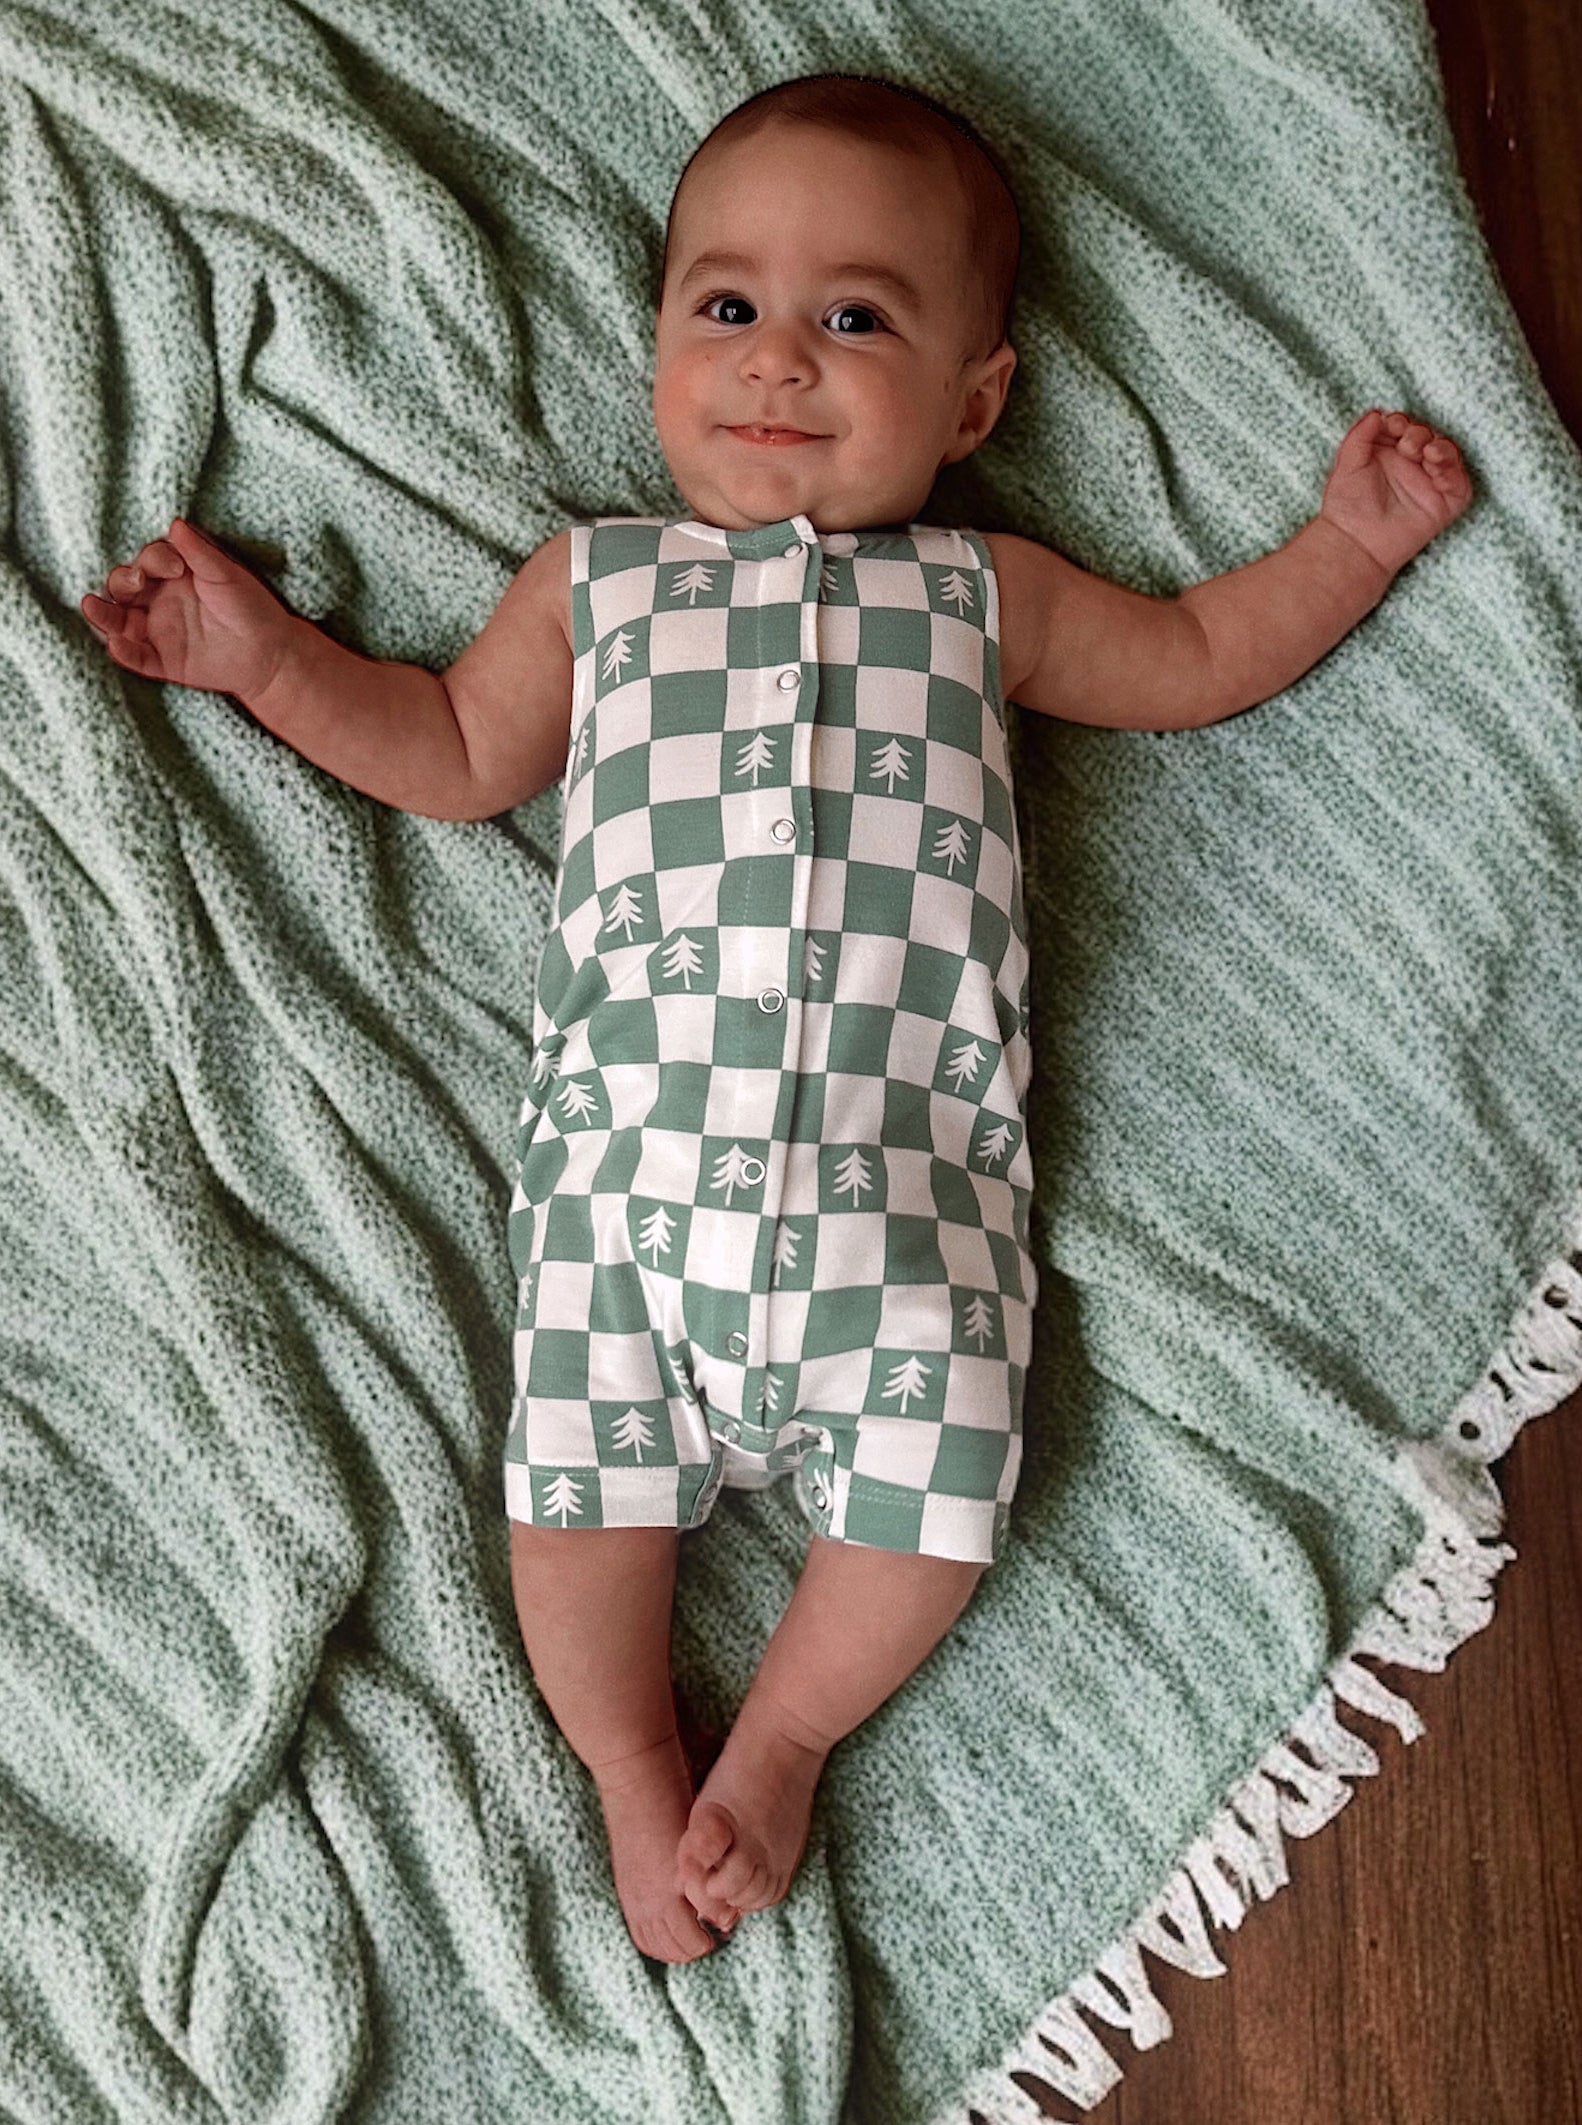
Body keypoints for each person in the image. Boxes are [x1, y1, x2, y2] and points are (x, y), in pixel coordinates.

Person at [79, 71, 1473, 1968]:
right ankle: (631, 1765)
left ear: (973, 403)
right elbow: (454, 749)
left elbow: (1199, 654)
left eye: (857, 320)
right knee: (567, 1513)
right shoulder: (599, 584)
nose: (777, 360)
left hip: (905, 1223)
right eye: (724, 305)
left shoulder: (982, 596)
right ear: (657, 342)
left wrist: (1350, 542)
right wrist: (261, 658)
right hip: (629, 1213)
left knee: (941, 1494)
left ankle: (789, 1735)